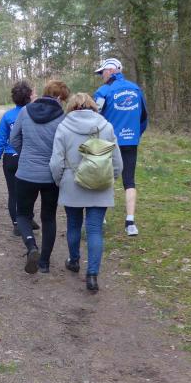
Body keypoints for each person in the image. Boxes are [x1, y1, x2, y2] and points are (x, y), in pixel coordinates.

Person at [50, 93, 122, 292]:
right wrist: (111, 178)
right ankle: (92, 275)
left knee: (73, 225)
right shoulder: (106, 126)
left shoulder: (63, 127)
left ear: (71, 107)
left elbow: (56, 162)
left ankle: (74, 261)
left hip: (72, 184)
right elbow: (117, 161)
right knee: (94, 229)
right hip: (101, 185)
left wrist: (60, 181)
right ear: (93, 106)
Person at [9, 80, 70, 274]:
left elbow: (14, 139)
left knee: (22, 214)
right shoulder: (63, 117)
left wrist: (25, 155)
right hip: (51, 176)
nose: (63, 102)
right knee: (49, 218)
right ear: (59, 97)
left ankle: (31, 246)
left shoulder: (25, 111)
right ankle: (44, 263)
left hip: (26, 173)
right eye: (63, 99)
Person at [92, 58, 148, 236]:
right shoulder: (136, 89)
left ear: (111, 71)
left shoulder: (103, 91)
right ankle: (130, 222)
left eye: (102, 72)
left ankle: (101, 217)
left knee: (105, 177)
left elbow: (94, 116)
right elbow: (144, 117)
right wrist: (135, 135)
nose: (101, 76)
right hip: (130, 141)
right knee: (129, 180)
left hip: (108, 141)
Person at [0, 81, 35, 236]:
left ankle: (17, 224)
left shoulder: (8, 116)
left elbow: (1, 139)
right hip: (29, 157)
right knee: (29, 192)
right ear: (29, 96)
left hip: (10, 157)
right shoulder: (34, 114)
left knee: (13, 193)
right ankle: (27, 218)